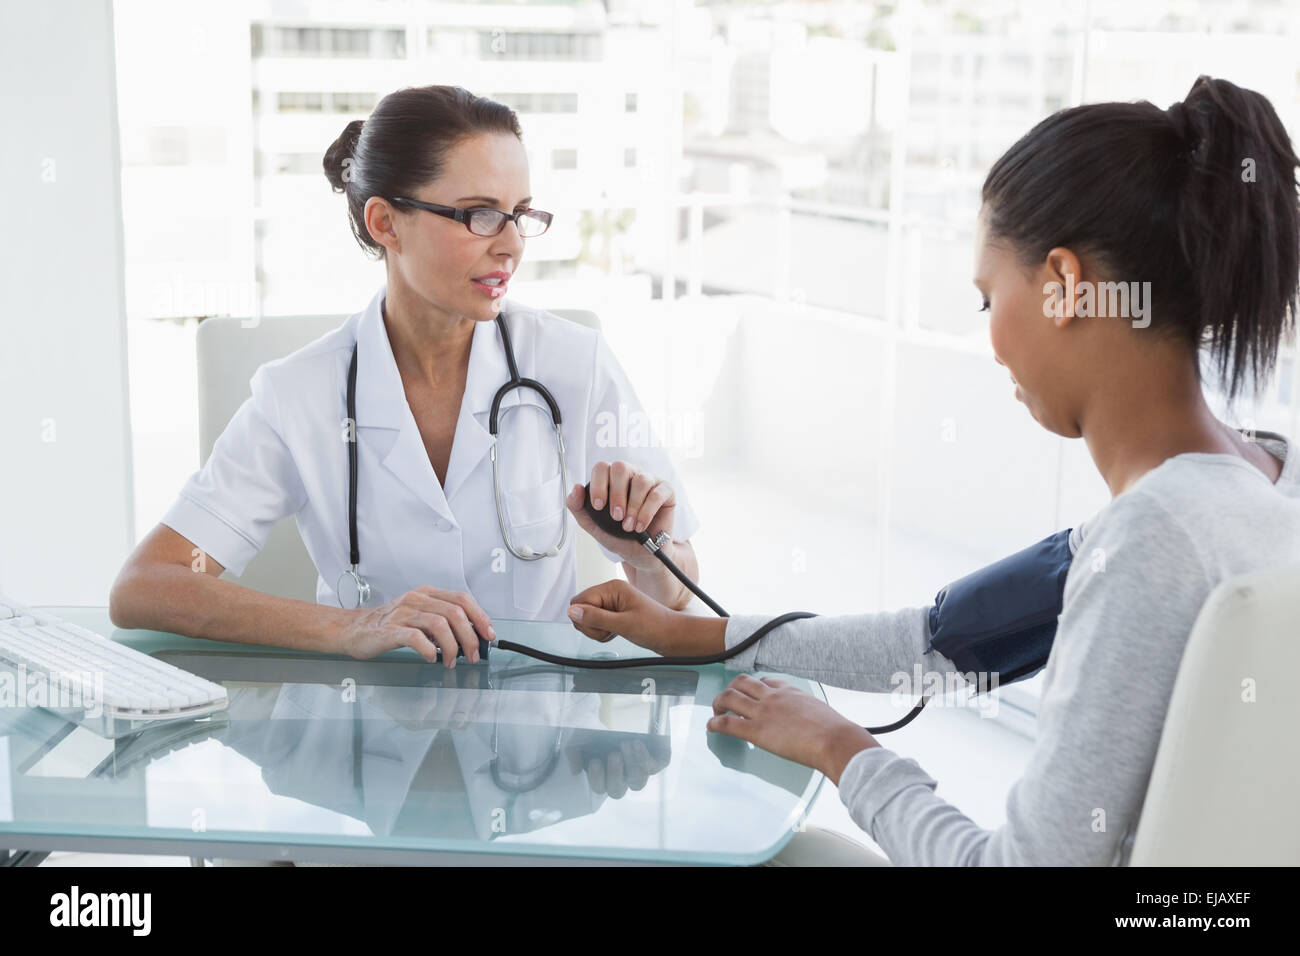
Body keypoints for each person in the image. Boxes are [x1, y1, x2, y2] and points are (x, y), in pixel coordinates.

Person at [564, 75, 1300, 865]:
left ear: (1063, 287)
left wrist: (841, 749)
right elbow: (935, 645)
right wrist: (696, 636)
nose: (992, 344)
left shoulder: (1152, 540)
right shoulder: (1258, 479)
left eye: (989, 300)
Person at [110, 85, 702, 667]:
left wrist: (648, 558)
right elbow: (147, 585)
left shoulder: (574, 363)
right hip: (361, 733)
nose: (512, 246)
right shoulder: (299, 393)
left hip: (532, 742)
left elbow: (682, 601)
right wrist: (354, 627)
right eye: (480, 215)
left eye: (521, 215)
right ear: (386, 224)